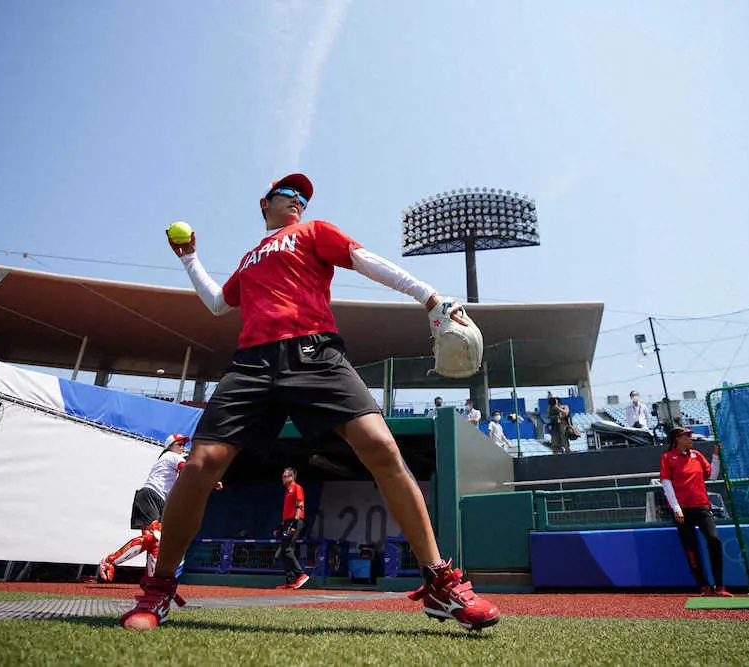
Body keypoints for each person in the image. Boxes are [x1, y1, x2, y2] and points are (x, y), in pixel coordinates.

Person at [119, 173, 499, 632]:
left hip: (316, 352)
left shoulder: (315, 230)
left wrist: (428, 295)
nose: (299, 200)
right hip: (253, 362)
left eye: (303, 196)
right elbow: (220, 303)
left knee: (381, 446)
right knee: (199, 464)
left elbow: (361, 259)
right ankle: (159, 588)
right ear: (266, 203)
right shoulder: (250, 258)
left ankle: (439, 583)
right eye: (289, 194)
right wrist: (190, 258)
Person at [99, 434, 221, 582]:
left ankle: (150, 581)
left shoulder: (170, 460)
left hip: (157, 499)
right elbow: (189, 471)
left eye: (184, 444)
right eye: (179, 444)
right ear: (170, 446)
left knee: (155, 542)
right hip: (151, 496)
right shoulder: (172, 456)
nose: (183, 446)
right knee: (153, 539)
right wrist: (211, 481)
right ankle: (110, 561)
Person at [659, 427, 732, 597]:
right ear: (677, 439)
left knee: (714, 540)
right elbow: (666, 483)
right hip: (682, 510)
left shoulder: (697, 455)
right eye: (687, 436)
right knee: (691, 548)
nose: (691, 438)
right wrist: (676, 508)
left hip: (702, 506)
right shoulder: (667, 458)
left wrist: (715, 456)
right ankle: (704, 586)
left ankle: (720, 585)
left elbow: (712, 476)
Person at [273, 467, 308, 590]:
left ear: (291, 477)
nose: (282, 478)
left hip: (295, 522)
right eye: (282, 476)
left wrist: (294, 524)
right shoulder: (287, 491)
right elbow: (287, 511)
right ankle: (290, 581)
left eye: (285, 476)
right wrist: (281, 526)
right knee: (285, 550)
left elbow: (300, 506)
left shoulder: (297, 488)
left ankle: (301, 574)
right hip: (287, 522)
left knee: (287, 549)